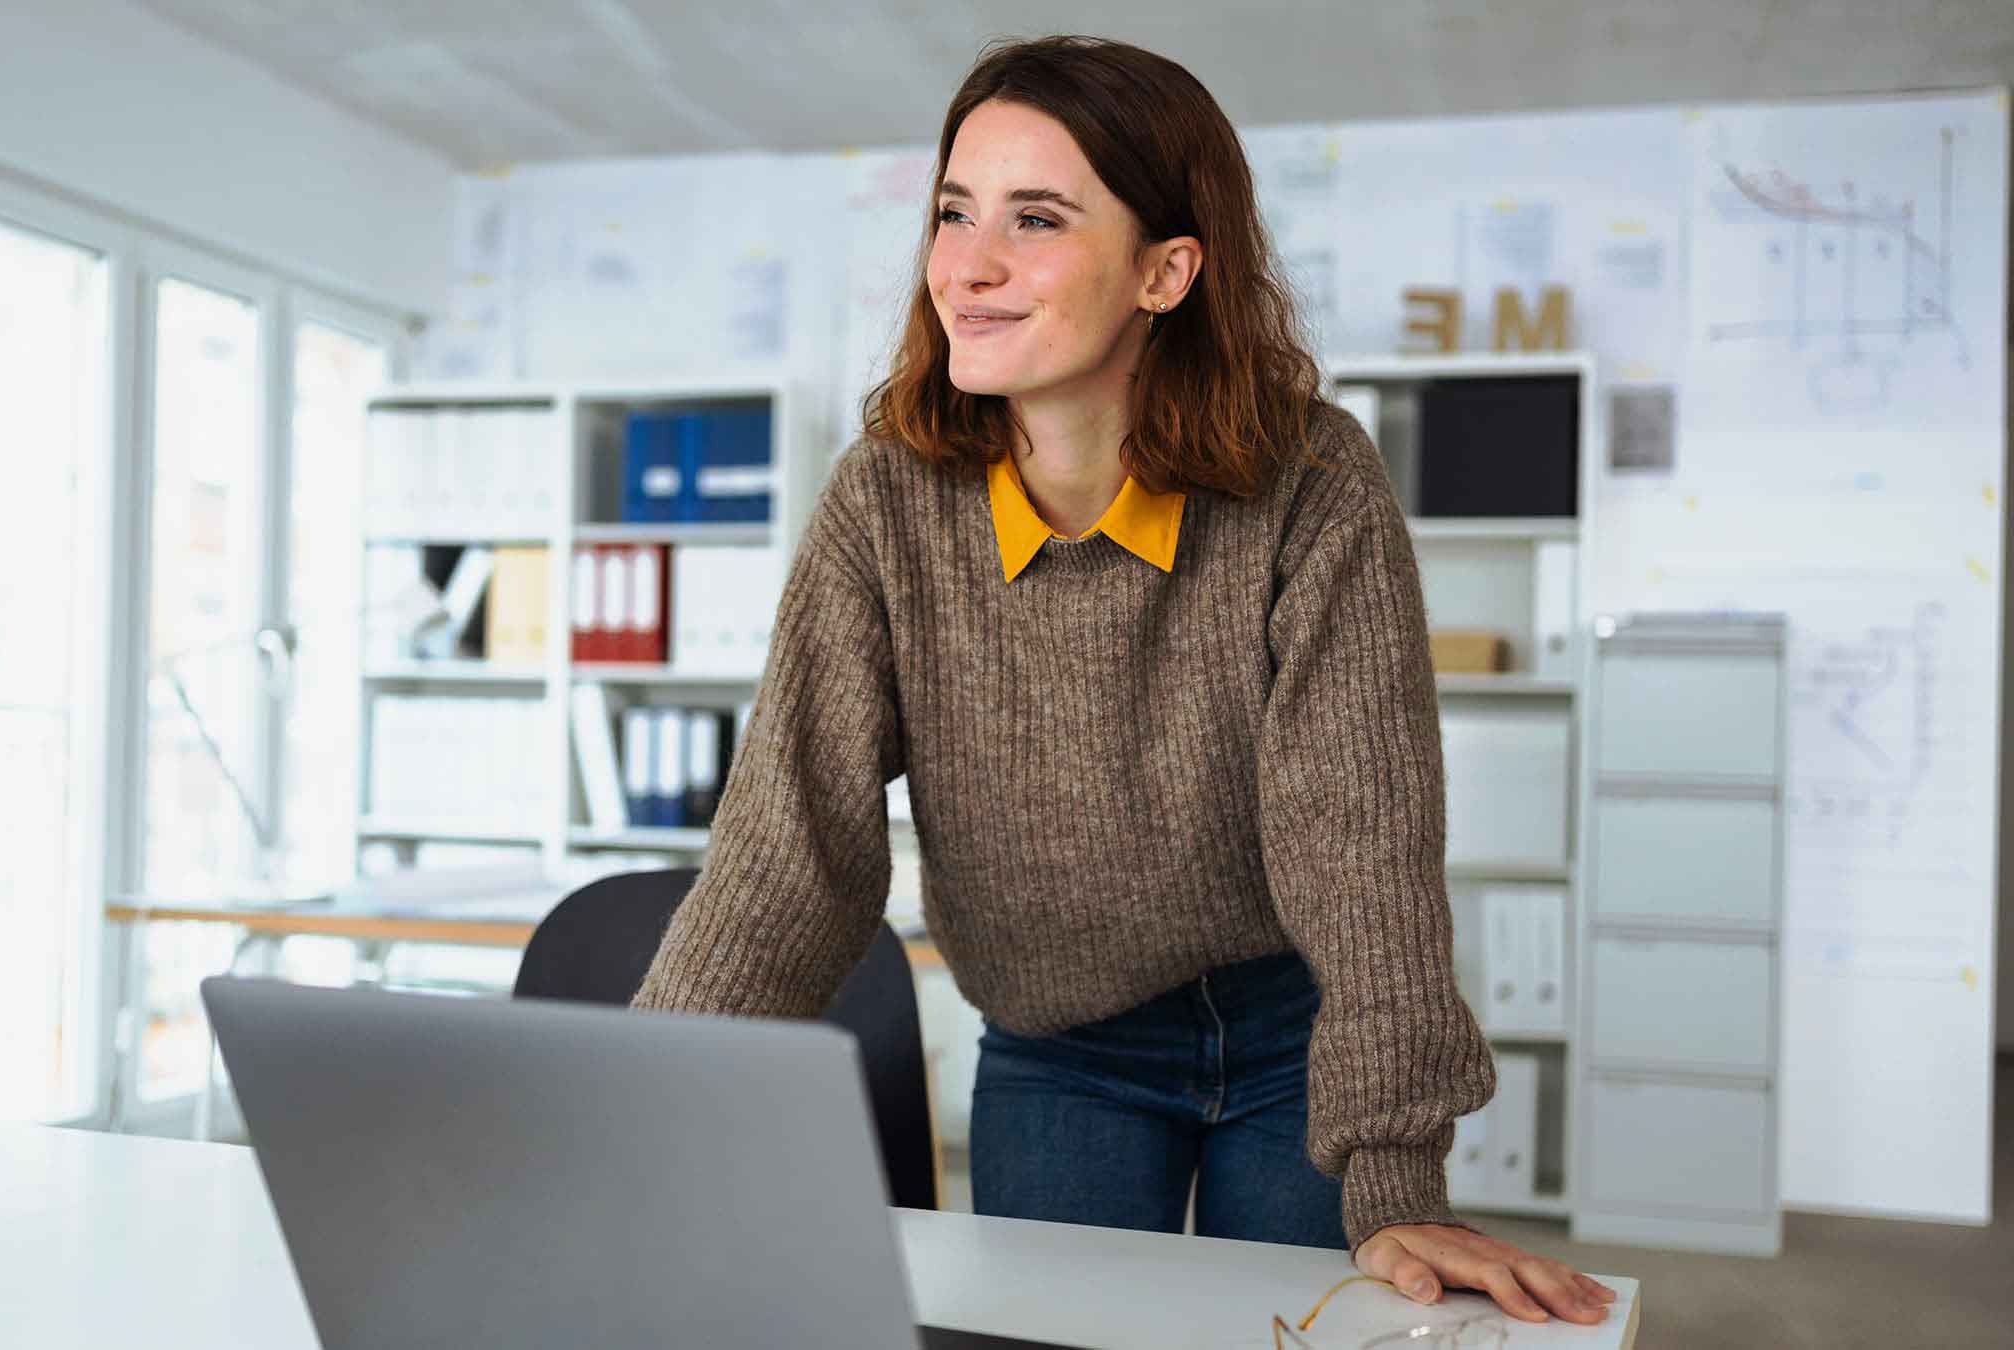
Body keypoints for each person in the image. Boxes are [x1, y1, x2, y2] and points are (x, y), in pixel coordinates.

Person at [633, 34, 1614, 1328]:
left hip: (1293, 1041)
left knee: (1317, 1333)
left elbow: (1359, 834)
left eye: (1034, 220)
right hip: (1059, 1049)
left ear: (1166, 268)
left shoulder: (1310, 482)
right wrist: (635, 1111)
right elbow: (790, 842)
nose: (966, 267)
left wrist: (1393, 1168)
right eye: (953, 212)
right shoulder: (885, 499)